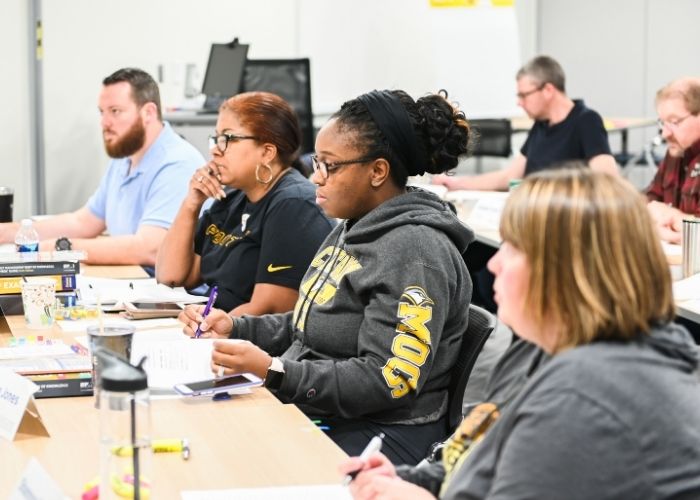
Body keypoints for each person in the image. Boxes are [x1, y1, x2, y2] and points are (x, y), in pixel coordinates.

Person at [343, 167, 700, 499]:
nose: (495, 263)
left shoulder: (586, 392)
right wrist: (409, 481)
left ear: (565, 272)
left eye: (513, 249)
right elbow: (485, 461)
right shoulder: (540, 348)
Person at [179, 89, 475, 465]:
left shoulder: (415, 252)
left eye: (329, 166)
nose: (316, 178)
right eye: (316, 163)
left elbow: (386, 380)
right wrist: (236, 328)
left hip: (382, 434)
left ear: (378, 171)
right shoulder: (352, 226)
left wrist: (275, 369)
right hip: (328, 407)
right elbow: (312, 325)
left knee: (235, 460)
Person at [0, 67, 204, 266]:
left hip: (167, 294)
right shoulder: (125, 157)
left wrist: (59, 247)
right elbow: (84, 222)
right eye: (102, 112)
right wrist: (11, 232)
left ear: (148, 112)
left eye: (115, 111)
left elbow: (150, 248)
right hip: (134, 283)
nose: (104, 123)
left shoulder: (177, 163)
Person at [156, 92, 334, 314]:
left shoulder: (295, 206)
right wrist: (191, 204)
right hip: (217, 330)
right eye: (217, 137)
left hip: (246, 340)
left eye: (228, 138)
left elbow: (266, 311)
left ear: (267, 152)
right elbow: (170, 276)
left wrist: (202, 330)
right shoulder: (232, 198)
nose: (215, 149)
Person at [432, 55, 617, 191]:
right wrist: (457, 184)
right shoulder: (542, 125)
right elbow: (509, 177)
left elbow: (607, 180)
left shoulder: (586, 121)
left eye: (523, 95)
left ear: (548, 90)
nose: (519, 102)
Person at [646, 77, 700, 244]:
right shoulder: (676, 151)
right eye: (662, 123)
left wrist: (675, 218)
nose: (665, 133)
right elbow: (651, 198)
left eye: (674, 122)